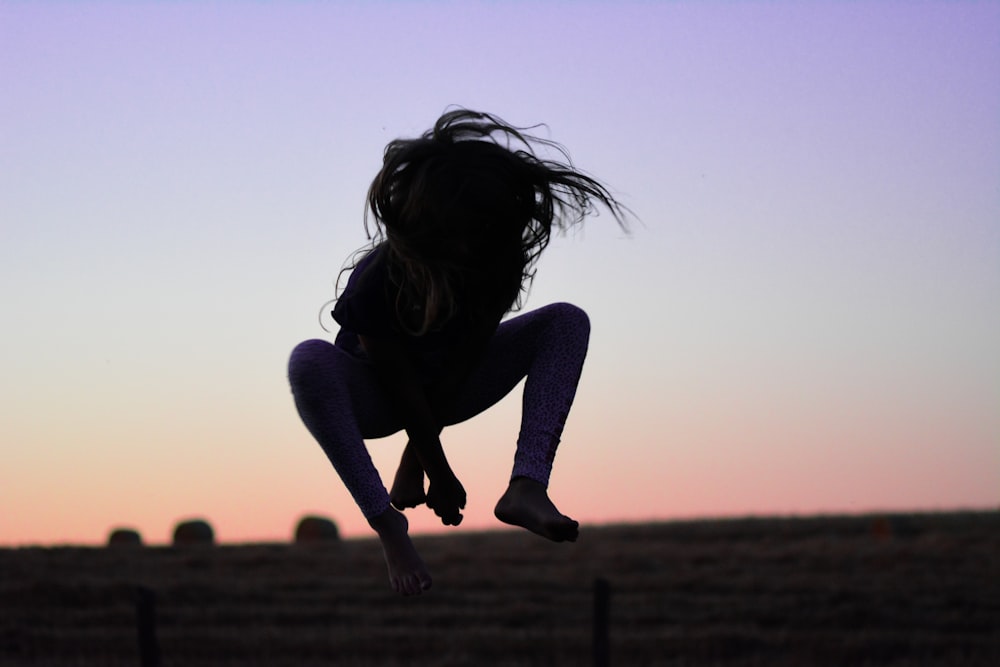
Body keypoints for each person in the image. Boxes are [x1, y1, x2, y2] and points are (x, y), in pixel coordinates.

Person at [288, 109, 628, 595]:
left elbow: (460, 366)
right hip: (375, 398)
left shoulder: (495, 271)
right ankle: (387, 525)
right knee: (308, 360)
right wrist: (438, 472)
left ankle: (527, 484)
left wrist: (415, 461)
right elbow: (400, 384)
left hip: (444, 393)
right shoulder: (380, 277)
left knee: (566, 320)